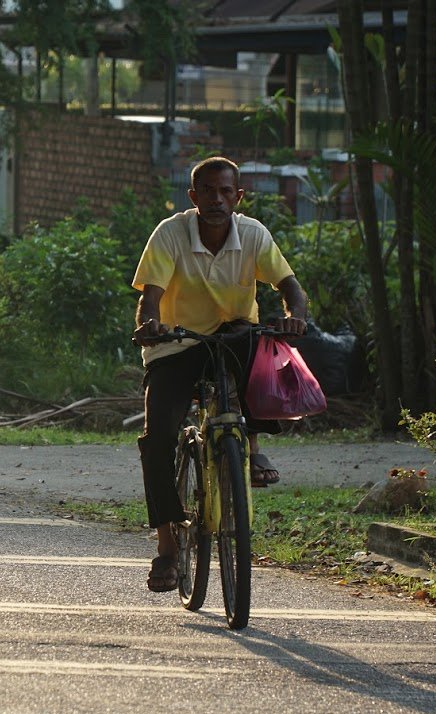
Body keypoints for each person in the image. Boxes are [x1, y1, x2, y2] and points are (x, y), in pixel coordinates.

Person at [131, 156, 309, 593]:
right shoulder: (170, 233)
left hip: (231, 343)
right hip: (177, 345)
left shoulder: (253, 235)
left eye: (225, 191)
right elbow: (149, 298)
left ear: (238, 196)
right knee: (158, 440)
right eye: (207, 191)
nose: (217, 199)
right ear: (193, 197)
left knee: (256, 342)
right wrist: (151, 324)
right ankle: (168, 545)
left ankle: (251, 446)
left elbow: (290, 287)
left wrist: (295, 315)